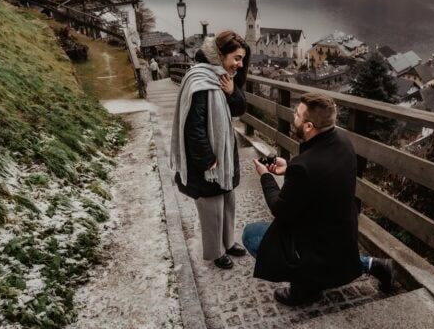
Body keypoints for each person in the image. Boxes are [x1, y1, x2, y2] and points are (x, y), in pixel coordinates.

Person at [243, 93, 394, 306]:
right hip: (344, 237)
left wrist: (266, 176)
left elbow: (280, 209)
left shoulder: (304, 166)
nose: (293, 116)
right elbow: (320, 180)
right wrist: (290, 168)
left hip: (316, 247)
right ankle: (372, 265)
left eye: (297, 115)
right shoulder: (344, 143)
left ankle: (305, 288)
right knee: (330, 253)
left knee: (251, 235)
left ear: (308, 126)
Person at [169, 30, 251, 269]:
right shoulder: (200, 80)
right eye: (236, 58)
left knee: (227, 200)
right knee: (210, 206)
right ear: (220, 54)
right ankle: (215, 252)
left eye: (242, 59)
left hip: (224, 154)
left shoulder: (222, 78)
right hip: (209, 158)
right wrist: (206, 159)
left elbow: (238, 109)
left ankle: (228, 242)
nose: (240, 64)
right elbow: (194, 126)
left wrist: (232, 92)